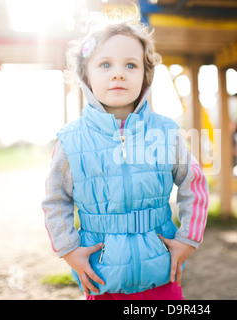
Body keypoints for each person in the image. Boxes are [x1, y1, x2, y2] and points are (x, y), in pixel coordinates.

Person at [41, 7, 208, 300]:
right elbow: (56, 200)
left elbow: (194, 183)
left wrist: (188, 239)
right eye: (105, 64)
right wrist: (68, 250)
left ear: (146, 75)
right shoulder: (71, 141)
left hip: (161, 274)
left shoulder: (165, 133)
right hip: (101, 275)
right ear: (85, 75)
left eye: (130, 65)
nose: (118, 72)